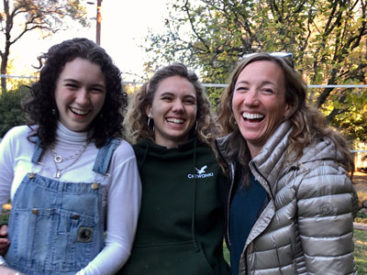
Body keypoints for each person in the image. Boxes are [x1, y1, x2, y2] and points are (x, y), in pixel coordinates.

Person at [0, 38, 142, 275]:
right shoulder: (18, 141)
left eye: (95, 89)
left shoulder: (119, 155)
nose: (83, 99)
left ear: (108, 96)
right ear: (53, 86)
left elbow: (119, 244)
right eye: (72, 85)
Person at [216, 53, 357, 275]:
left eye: (267, 90)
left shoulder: (318, 177)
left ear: (288, 106)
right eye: (242, 88)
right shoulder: (236, 165)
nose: (251, 100)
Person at [117, 63, 230, 275]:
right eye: (168, 98)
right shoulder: (126, 161)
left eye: (188, 101)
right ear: (148, 108)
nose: (178, 107)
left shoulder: (218, 161)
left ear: (197, 111)